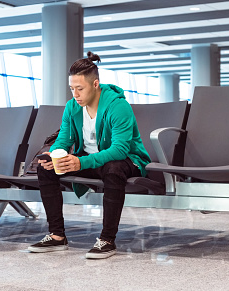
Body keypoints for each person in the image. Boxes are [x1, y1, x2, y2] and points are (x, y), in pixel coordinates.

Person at [28, 51, 151, 259]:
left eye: (80, 88)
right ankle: (57, 236)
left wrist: (79, 162)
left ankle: (107, 240)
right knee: (46, 169)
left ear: (95, 85)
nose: (75, 94)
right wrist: (54, 156)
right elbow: (64, 140)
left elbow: (119, 149)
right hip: (89, 160)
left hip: (127, 160)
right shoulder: (72, 107)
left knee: (114, 168)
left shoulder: (118, 106)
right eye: (72, 89)